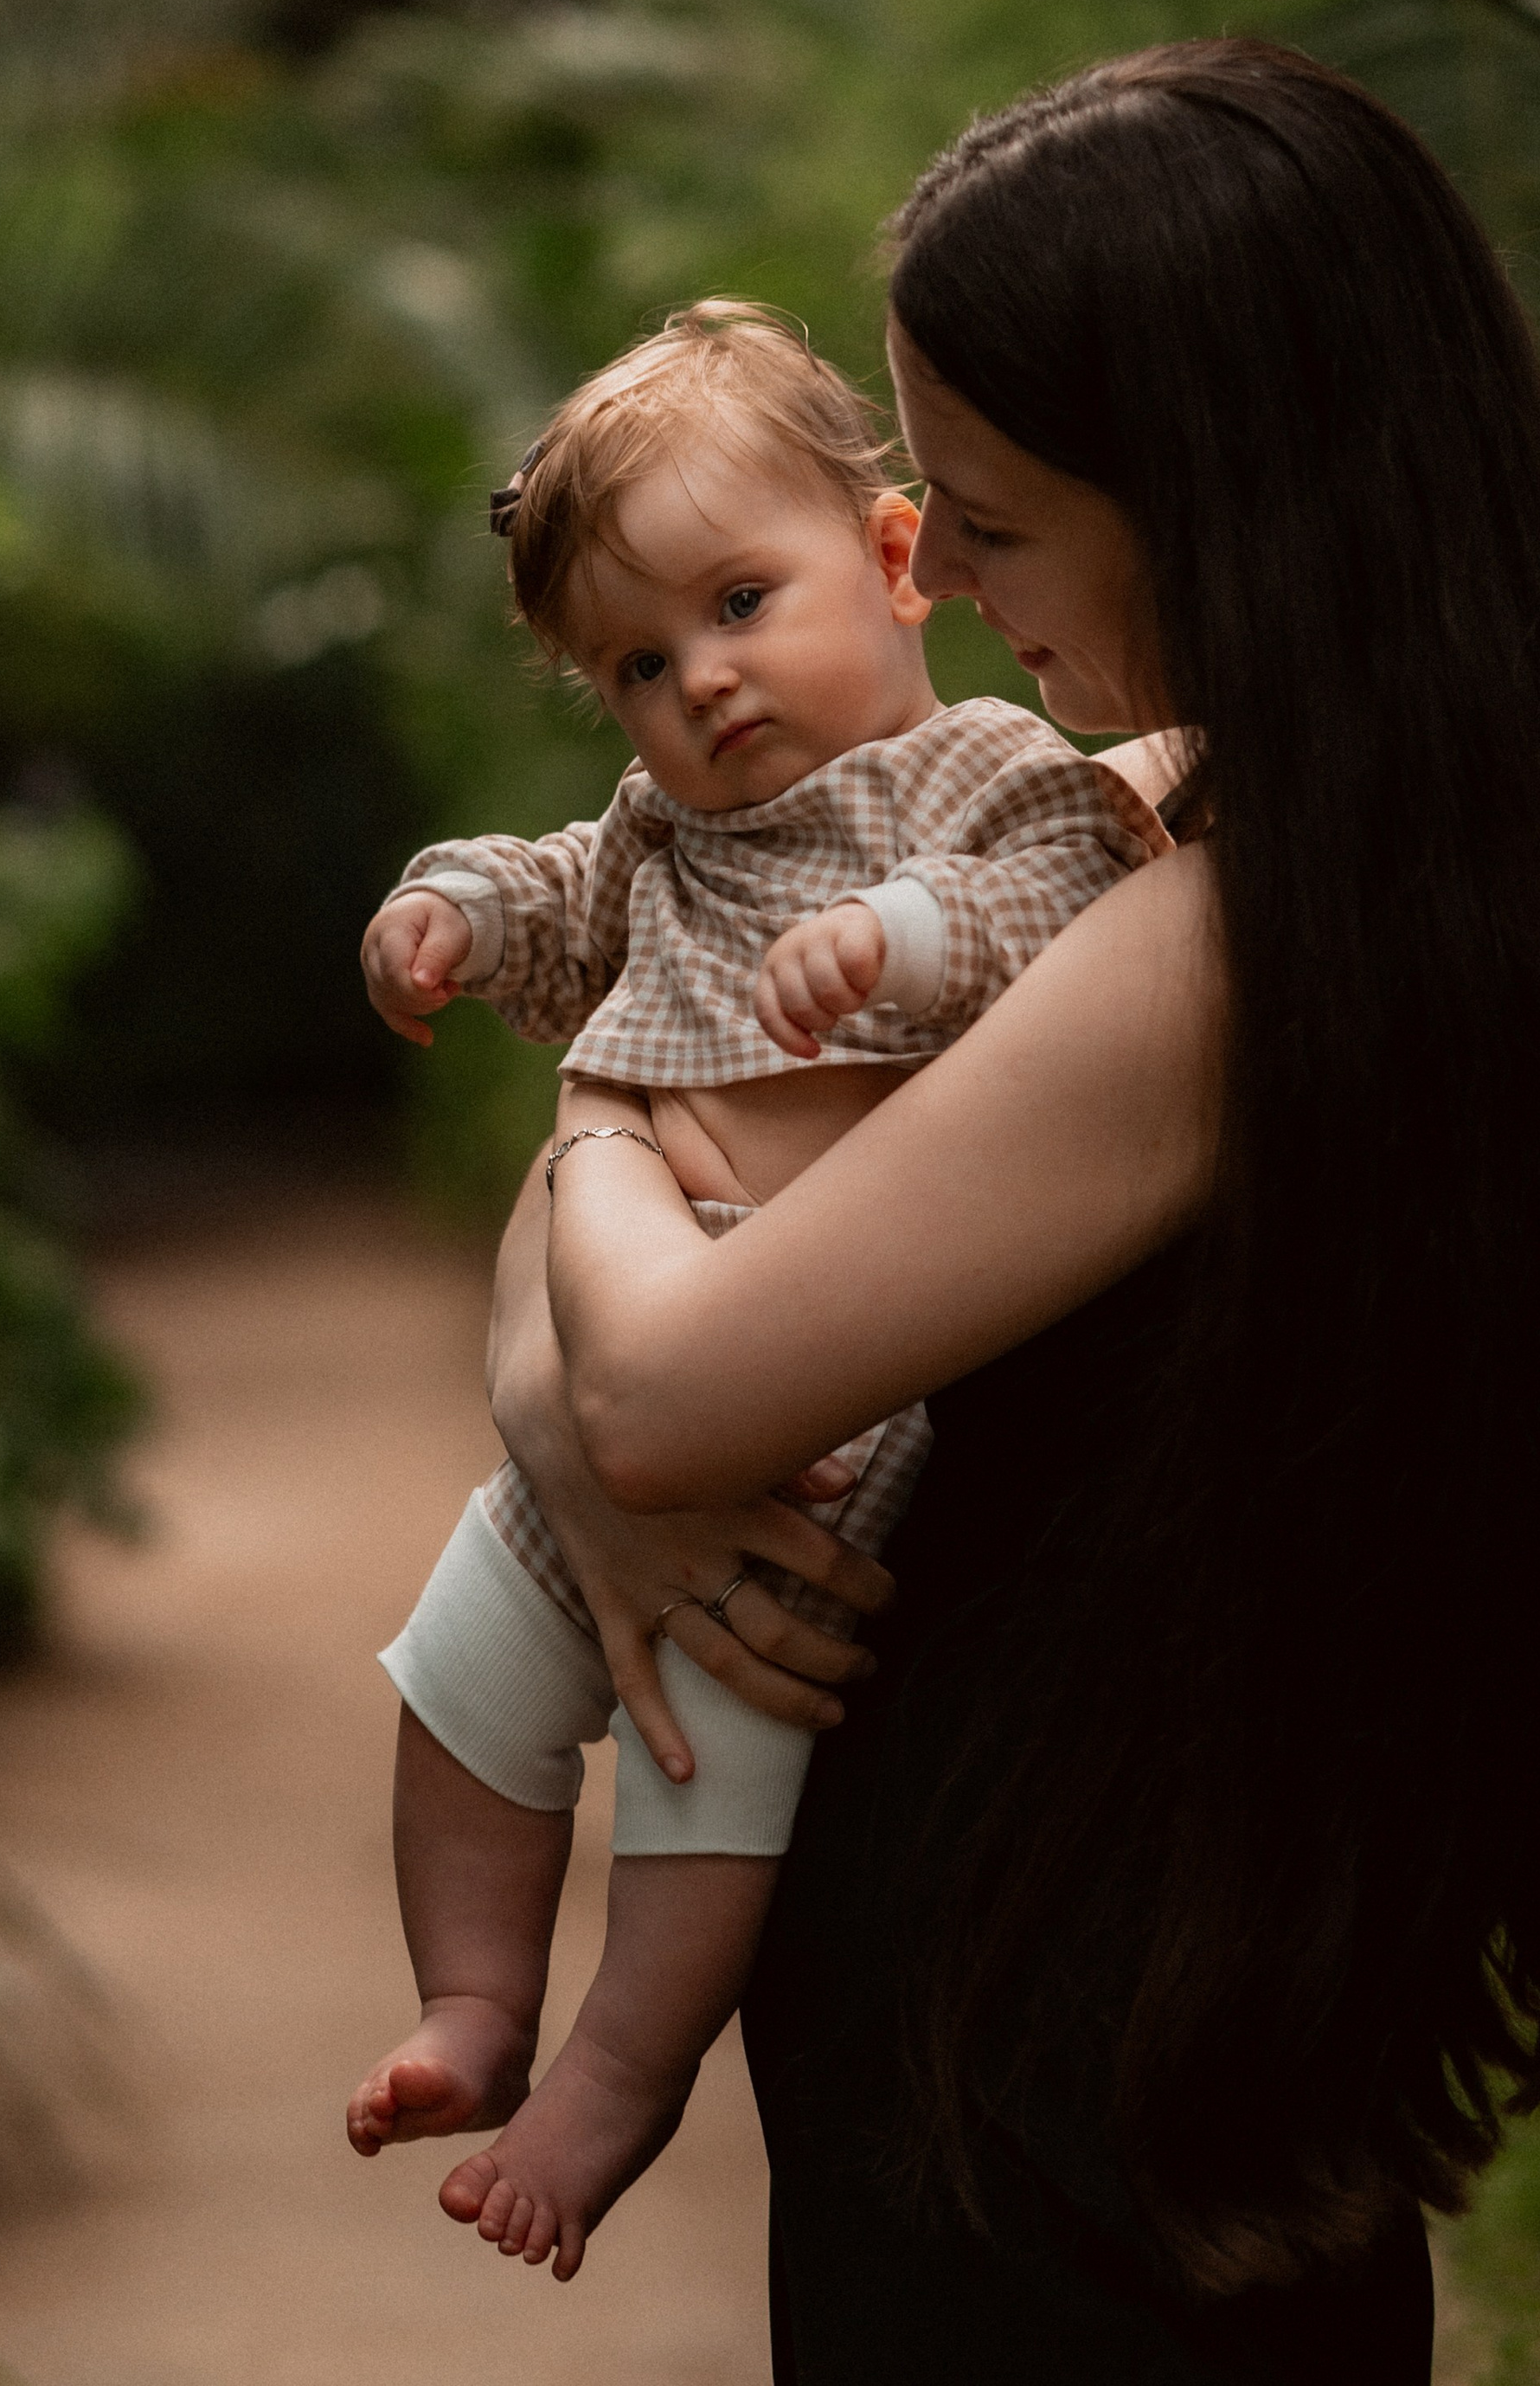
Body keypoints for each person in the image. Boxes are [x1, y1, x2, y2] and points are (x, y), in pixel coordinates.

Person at [490, 38, 1540, 2381]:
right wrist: (594, 1419)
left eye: (991, 522)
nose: (950, 582)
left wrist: (595, 1162)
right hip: (1107, 2078)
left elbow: (667, 1367)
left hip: (1051, 2131)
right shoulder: (1359, 841)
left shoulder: (1211, 950)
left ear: (1214, 498)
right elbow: (632, 1337)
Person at [346, 300, 1172, 2279]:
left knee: (716, 1768)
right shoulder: (665, 830)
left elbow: (1048, 901)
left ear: (897, 563)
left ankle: (615, 2077)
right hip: (602, 1423)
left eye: (736, 599)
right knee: (458, 1687)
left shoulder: (986, 776)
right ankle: (471, 1999)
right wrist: (451, 909)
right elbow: (561, 892)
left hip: (805, 1428)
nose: (700, 681)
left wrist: (891, 936)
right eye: (638, 662)